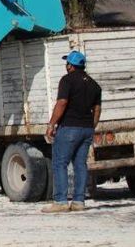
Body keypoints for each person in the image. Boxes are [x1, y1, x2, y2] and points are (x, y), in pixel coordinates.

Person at [43, 50, 101, 212]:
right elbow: (97, 110)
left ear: (70, 65)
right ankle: (78, 201)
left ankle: (61, 201)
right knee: (80, 165)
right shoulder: (94, 84)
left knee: (60, 163)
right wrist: (92, 126)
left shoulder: (67, 81)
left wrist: (51, 124)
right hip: (87, 128)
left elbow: (62, 103)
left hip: (69, 127)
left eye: (67, 63)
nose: (66, 66)